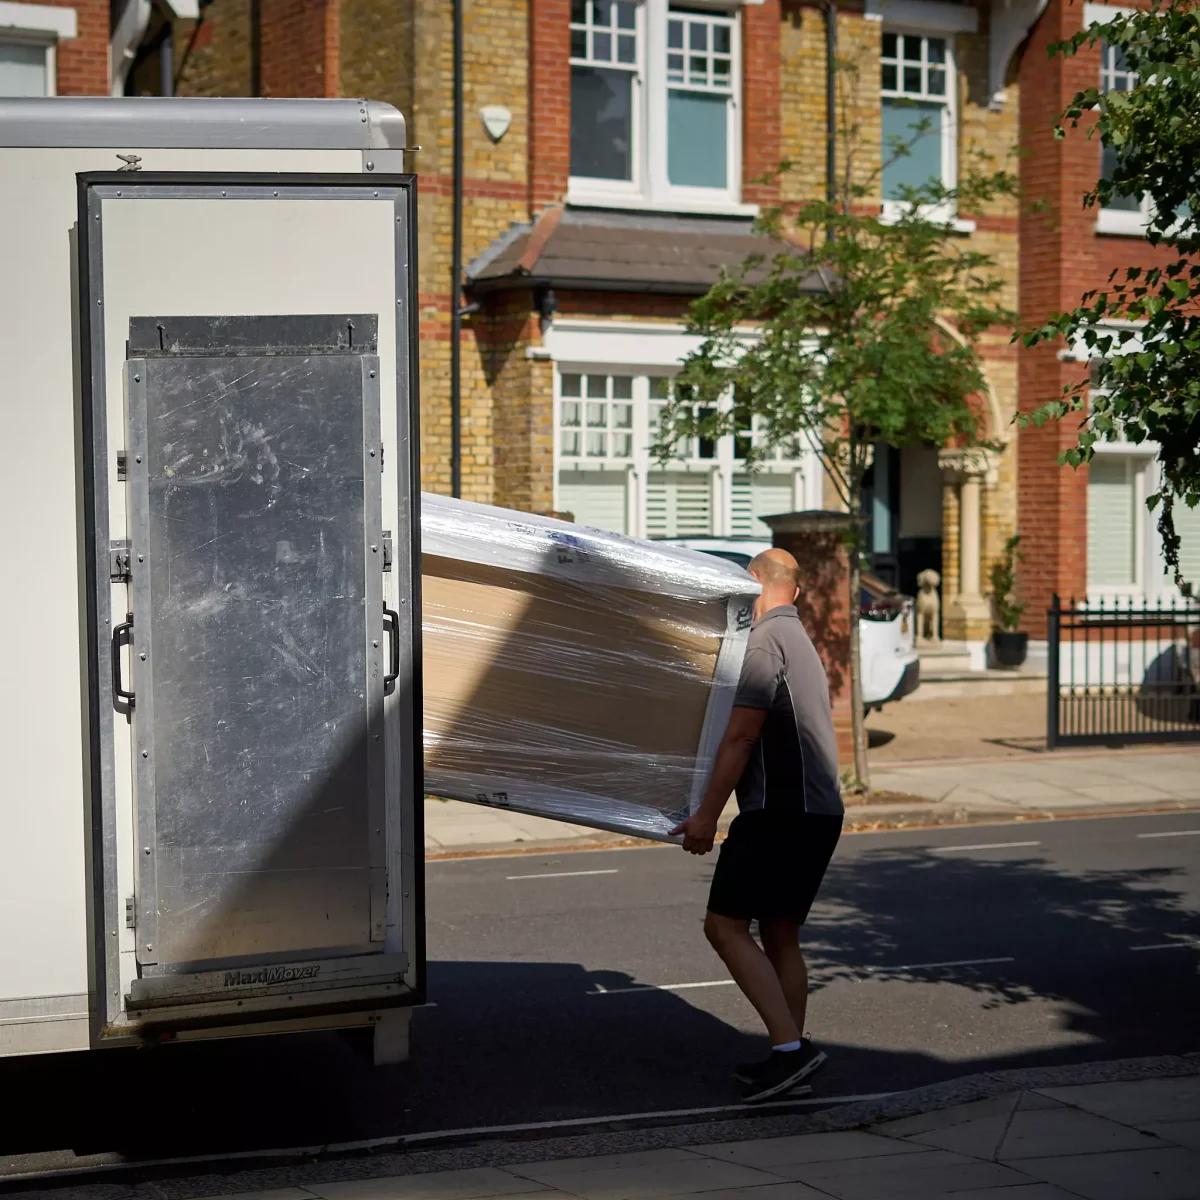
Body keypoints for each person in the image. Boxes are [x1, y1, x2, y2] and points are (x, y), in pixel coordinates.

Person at [670, 547, 844, 1104]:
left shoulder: (765, 641)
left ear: (751, 582)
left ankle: (792, 1051)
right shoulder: (799, 639)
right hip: (819, 814)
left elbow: (742, 737)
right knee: (780, 934)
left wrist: (706, 816)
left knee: (723, 927)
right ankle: (789, 1055)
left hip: (780, 814)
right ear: (794, 590)